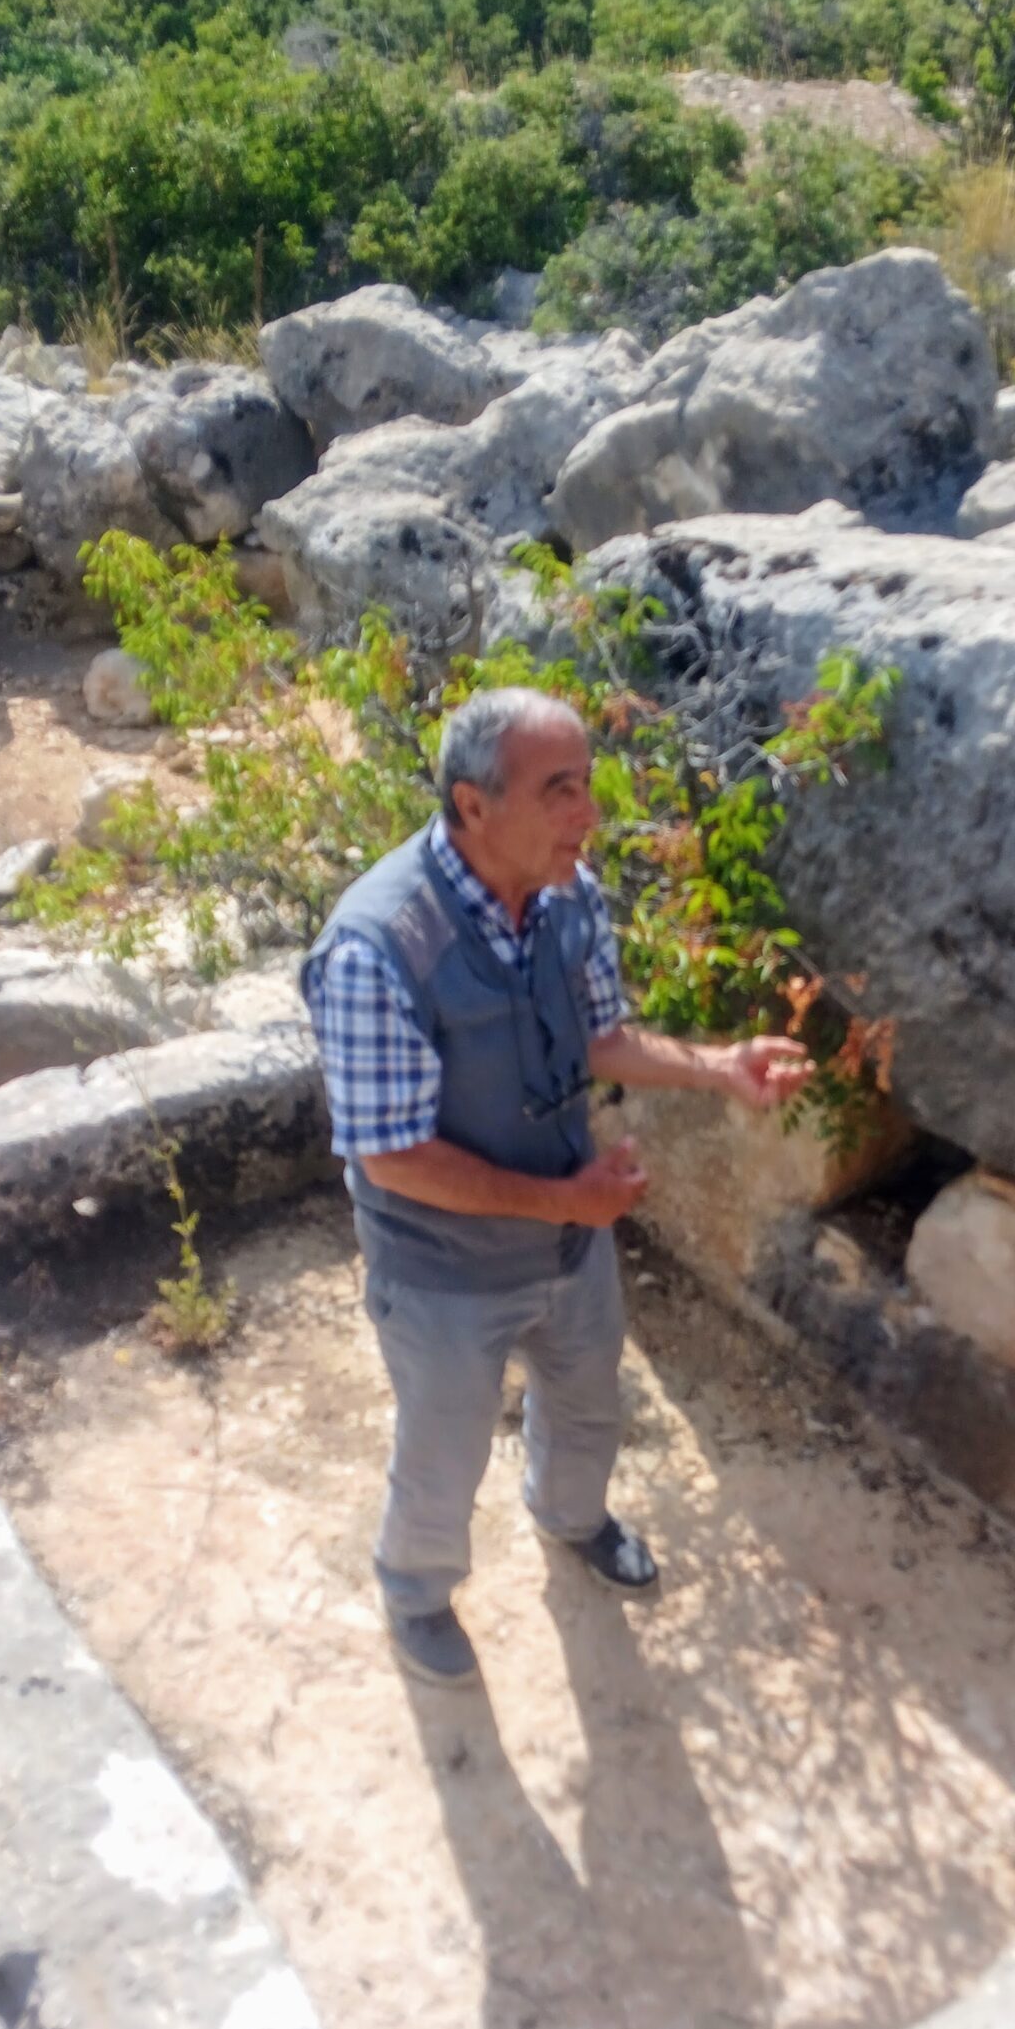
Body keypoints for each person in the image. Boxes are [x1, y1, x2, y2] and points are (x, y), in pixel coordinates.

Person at [303, 686, 812, 1688]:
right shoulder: (377, 948)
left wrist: (719, 1067)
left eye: (587, 785)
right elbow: (391, 1155)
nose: (589, 813)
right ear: (473, 804)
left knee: (587, 1407)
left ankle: (572, 1518)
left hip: (570, 1240)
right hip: (445, 1271)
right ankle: (416, 1591)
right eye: (561, 789)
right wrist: (564, 1202)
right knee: (444, 1451)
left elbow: (599, 1034)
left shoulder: (568, 891)